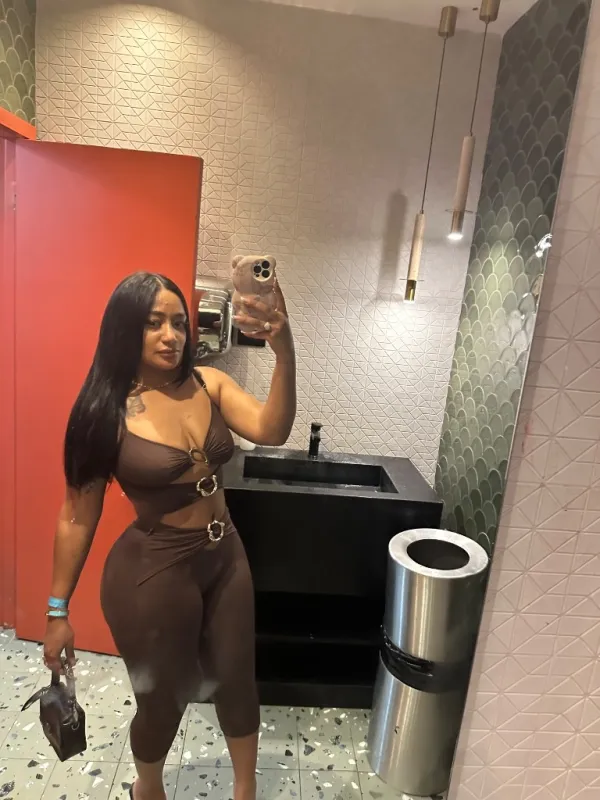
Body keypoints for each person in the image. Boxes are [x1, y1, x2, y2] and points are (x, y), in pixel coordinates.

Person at [42, 272, 296, 800]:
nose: (171, 335)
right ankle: (148, 789)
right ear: (125, 328)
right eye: (154, 323)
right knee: (163, 700)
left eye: (179, 323)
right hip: (153, 570)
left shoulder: (208, 383)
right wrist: (57, 611)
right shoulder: (103, 412)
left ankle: (244, 792)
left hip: (225, 555)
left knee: (238, 679)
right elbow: (76, 516)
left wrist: (284, 352)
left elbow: (271, 430)